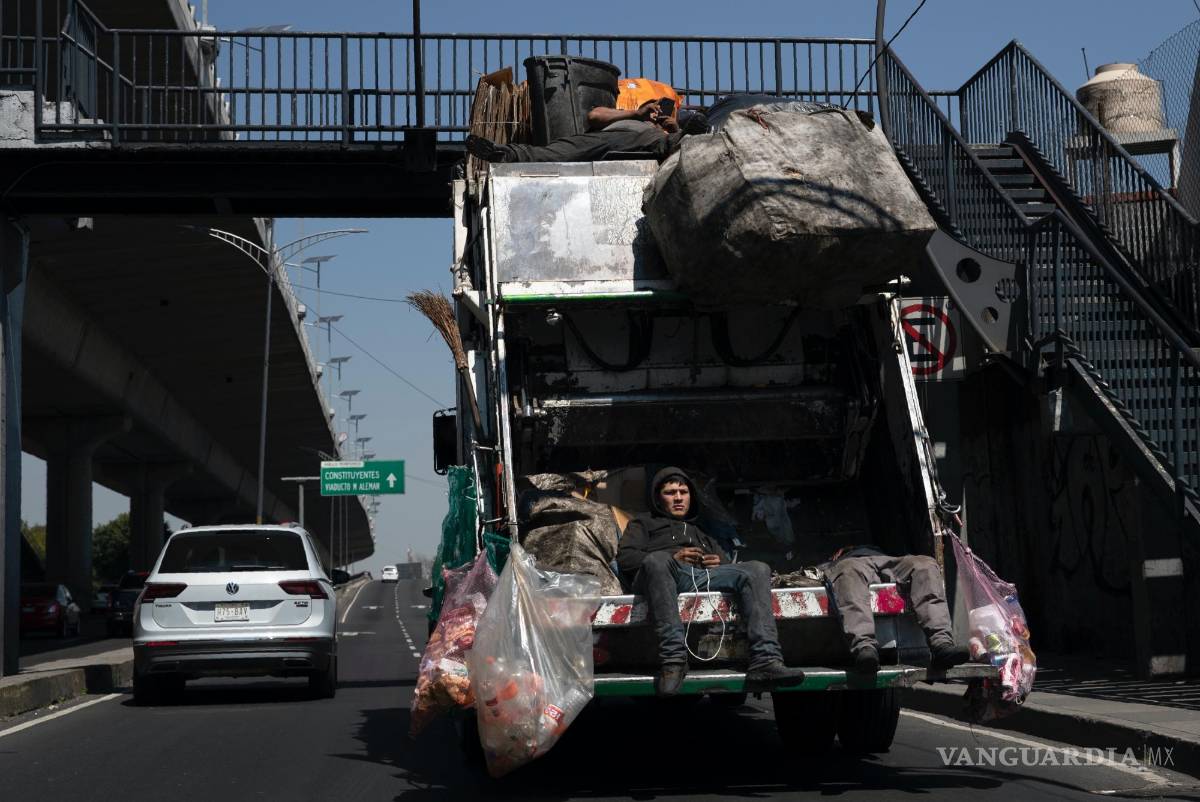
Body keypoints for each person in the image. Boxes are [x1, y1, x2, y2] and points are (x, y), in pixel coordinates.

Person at [616, 467, 806, 696]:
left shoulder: (701, 530)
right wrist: (672, 557)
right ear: (658, 498)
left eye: (683, 492)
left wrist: (719, 563)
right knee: (657, 561)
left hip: (700, 576)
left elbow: (728, 564)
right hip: (662, 576)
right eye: (670, 492)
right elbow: (626, 559)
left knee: (756, 568)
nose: (678, 498)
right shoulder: (643, 524)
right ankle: (674, 661)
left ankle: (766, 660)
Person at [823, 546, 970, 673]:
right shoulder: (840, 561)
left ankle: (941, 645)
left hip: (886, 558)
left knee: (925, 564)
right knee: (848, 572)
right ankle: (865, 650)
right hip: (852, 564)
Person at [466, 98, 683, 164]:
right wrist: (636, 114)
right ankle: (506, 154)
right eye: (651, 108)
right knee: (559, 151)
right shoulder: (628, 116)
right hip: (604, 138)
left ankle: (684, 137)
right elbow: (594, 116)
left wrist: (673, 129)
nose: (656, 113)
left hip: (650, 142)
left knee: (669, 142)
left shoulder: (659, 131)